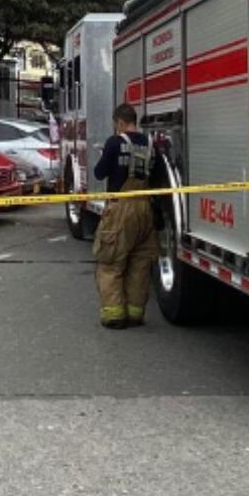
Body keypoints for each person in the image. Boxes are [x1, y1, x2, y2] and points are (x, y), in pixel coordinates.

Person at [91, 103, 157, 329]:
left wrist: (105, 154)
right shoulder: (150, 144)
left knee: (111, 262)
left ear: (119, 122)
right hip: (145, 209)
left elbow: (99, 173)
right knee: (139, 264)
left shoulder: (114, 142)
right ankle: (135, 313)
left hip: (121, 209)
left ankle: (114, 315)